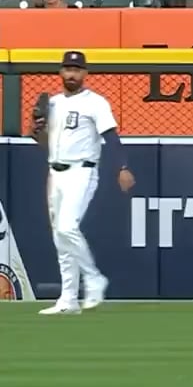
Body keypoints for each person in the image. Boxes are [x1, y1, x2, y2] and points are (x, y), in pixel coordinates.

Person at [32, 50, 135, 315]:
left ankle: (94, 278)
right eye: (68, 69)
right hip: (55, 172)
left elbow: (111, 137)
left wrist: (122, 167)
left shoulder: (95, 103)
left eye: (77, 69)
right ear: (60, 72)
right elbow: (44, 143)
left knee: (67, 227)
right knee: (60, 238)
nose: (72, 74)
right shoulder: (53, 103)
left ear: (85, 74)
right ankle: (68, 300)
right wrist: (37, 131)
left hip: (82, 171)